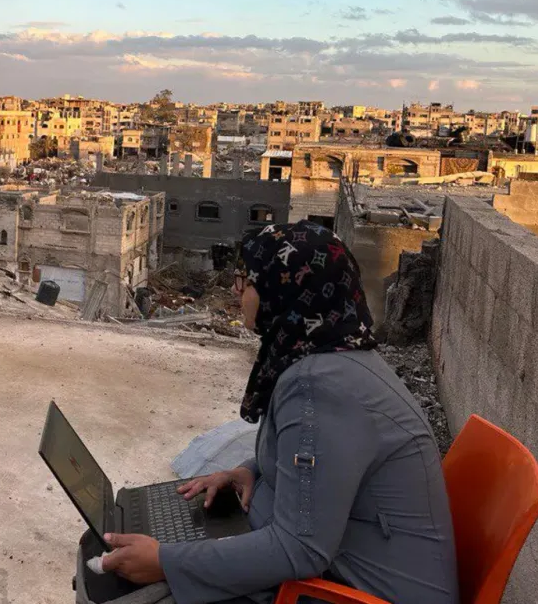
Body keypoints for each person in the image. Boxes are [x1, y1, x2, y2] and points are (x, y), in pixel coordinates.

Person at [101, 220, 458, 604]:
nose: (236, 290)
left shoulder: (320, 386)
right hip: (346, 570)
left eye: (247, 281)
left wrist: (166, 562)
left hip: (359, 592)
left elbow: (300, 549)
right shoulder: (334, 353)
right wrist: (250, 472)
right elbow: (317, 461)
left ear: (286, 290)